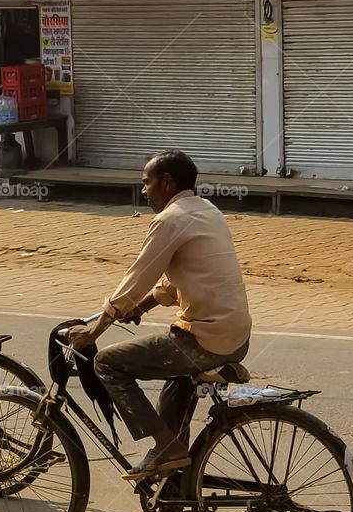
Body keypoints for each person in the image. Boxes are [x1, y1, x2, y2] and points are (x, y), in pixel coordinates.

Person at [68, 149, 251, 483]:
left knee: (107, 363)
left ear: (166, 182)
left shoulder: (170, 219)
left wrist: (95, 330)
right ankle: (168, 499)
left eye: (146, 182)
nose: (143, 191)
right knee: (174, 391)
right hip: (235, 337)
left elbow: (138, 276)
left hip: (204, 341)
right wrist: (142, 307)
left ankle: (166, 446)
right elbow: (179, 277)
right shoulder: (207, 210)